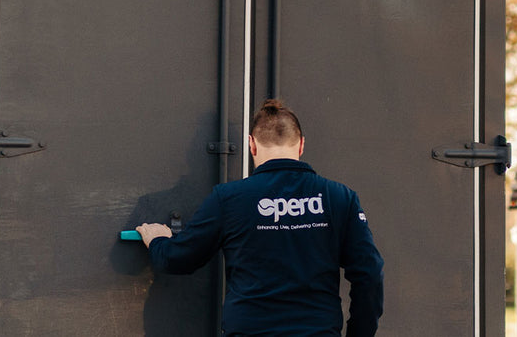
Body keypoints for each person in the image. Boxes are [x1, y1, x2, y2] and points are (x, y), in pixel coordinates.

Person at [136, 99, 384, 336]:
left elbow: (179, 259)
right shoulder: (339, 198)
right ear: (301, 145)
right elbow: (369, 272)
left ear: (251, 145)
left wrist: (158, 240)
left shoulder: (229, 198)